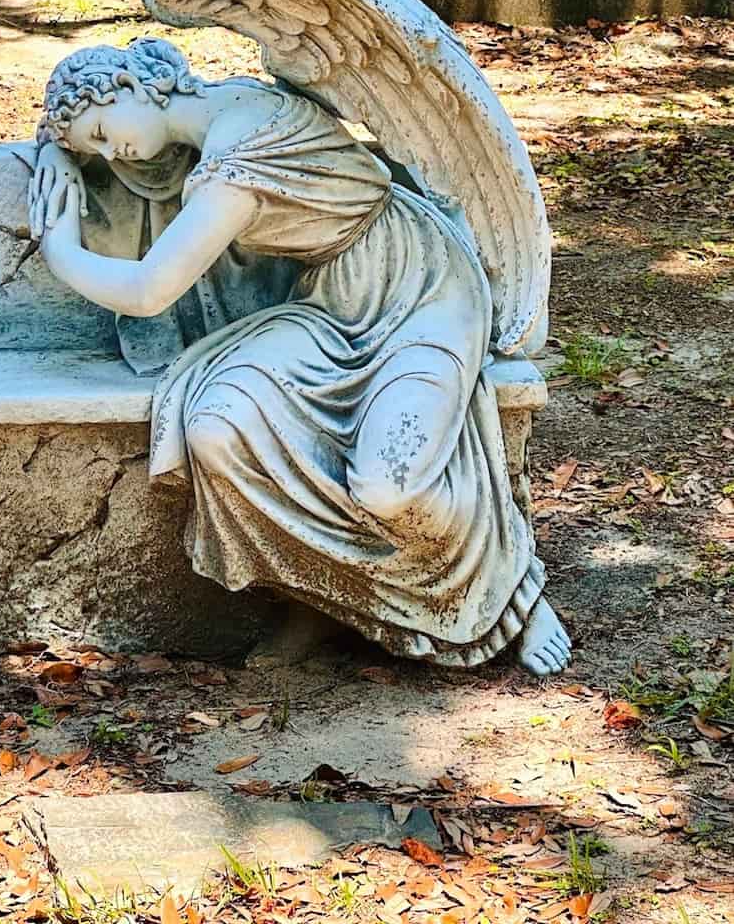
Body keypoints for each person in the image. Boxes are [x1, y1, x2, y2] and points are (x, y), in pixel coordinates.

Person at [29, 37, 571, 676]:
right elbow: (137, 160)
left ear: (128, 82)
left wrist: (57, 246)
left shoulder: (243, 150)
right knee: (216, 429)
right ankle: (329, 598)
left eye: (98, 130)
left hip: (419, 291)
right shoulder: (218, 108)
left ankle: (517, 593)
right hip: (330, 300)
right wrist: (57, 151)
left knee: (390, 488)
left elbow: (149, 290)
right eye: (91, 149)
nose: (107, 154)